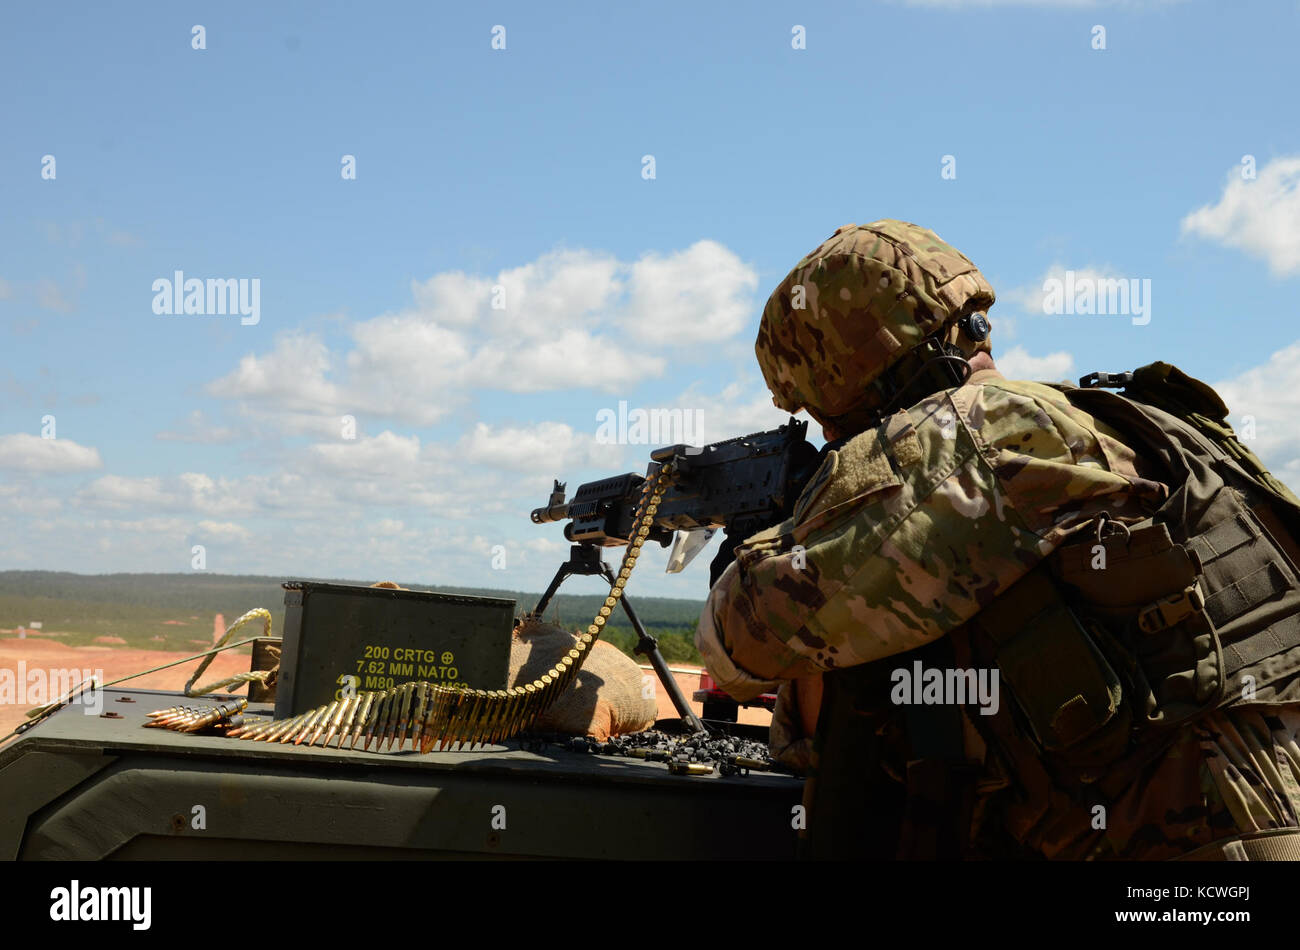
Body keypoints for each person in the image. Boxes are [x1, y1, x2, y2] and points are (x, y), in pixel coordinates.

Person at [696, 219, 1300, 860]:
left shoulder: (967, 435)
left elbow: (738, 645)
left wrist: (771, 535)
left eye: (824, 416)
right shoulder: (1114, 413)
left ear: (853, 386)